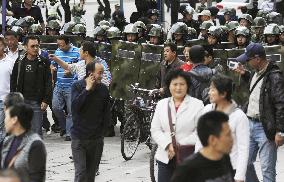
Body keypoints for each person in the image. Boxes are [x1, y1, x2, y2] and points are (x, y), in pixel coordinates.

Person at [234, 43, 284, 182]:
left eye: (248, 60)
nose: (247, 63)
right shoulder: (255, 74)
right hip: (249, 124)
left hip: (265, 127)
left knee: (267, 169)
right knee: (244, 164)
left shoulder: (275, 76)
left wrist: (280, 131)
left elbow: (281, 104)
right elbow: (257, 92)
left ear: (257, 59)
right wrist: (245, 75)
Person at [151, 69, 204, 182]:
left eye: (182, 84)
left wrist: (179, 145)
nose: (178, 88)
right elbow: (155, 129)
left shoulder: (197, 105)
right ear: (169, 86)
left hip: (188, 158)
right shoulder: (162, 104)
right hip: (165, 158)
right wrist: (167, 144)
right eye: (175, 84)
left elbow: (200, 132)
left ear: (187, 86)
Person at [195, 74, 250, 182]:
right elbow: (199, 141)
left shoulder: (239, 116)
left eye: (212, 90)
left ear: (224, 93)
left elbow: (243, 148)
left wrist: (240, 176)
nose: (209, 92)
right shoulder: (206, 110)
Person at [71, 61, 110, 182]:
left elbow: (106, 113)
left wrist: (102, 133)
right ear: (90, 73)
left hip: (96, 139)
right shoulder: (77, 86)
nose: (102, 76)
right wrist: (86, 90)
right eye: (100, 73)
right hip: (79, 138)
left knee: (90, 175)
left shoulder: (103, 89)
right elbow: (75, 107)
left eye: (103, 73)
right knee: (81, 173)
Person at [171, 111, 234, 182]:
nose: (232, 139)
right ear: (212, 140)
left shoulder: (224, 158)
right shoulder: (187, 169)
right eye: (228, 135)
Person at [10, 35, 52, 136]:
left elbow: (48, 82)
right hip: (21, 102)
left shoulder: (43, 61)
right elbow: (13, 81)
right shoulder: (20, 61)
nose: (35, 48)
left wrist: (46, 100)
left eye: (37, 46)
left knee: (36, 132)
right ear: (25, 47)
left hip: (37, 103)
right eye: (32, 46)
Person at [1, 103, 46, 182]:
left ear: (14, 119)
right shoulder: (7, 141)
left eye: (6, 117)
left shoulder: (35, 144)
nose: (4, 121)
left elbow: (36, 178)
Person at [51, 35, 80, 141]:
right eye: (58, 44)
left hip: (71, 86)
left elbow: (81, 67)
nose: (59, 47)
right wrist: (52, 67)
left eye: (61, 45)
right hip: (59, 85)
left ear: (68, 43)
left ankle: (69, 133)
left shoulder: (77, 52)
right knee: (55, 107)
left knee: (71, 111)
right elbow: (53, 64)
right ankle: (63, 127)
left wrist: (71, 72)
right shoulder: (58, 51)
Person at [0, 37, 16, 142]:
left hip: (4, 100)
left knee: (2, 127)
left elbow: (14, 82)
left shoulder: (11, 62)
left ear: (4, 46)